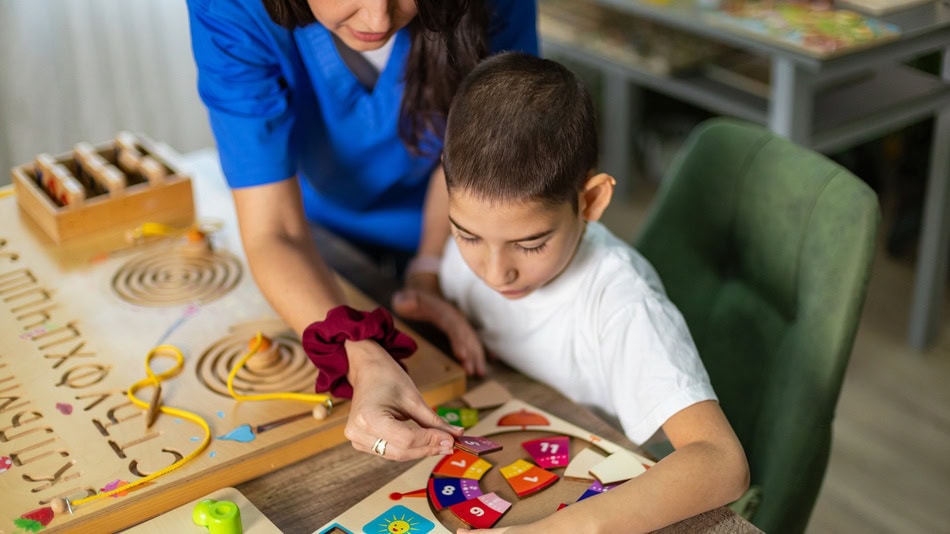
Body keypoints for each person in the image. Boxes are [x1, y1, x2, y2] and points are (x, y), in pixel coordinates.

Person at [186, 0, 537, 461]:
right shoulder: (231, 8)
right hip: (317, 234)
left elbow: (470, 148)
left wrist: (428, 267)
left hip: (453, 228)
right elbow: (274, 229)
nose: (377, 20)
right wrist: (360, 356)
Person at [438, 52, 750, 532]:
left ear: (590, 201)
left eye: (531, 244)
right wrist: (441, 310)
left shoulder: (623, 302)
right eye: (468, 236)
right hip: (512, 445)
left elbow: (722, 462)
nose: (496, 273)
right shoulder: (473, 240)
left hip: (602, 490)